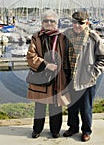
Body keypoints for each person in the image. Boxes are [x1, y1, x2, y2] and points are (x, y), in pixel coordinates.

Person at [63, 10, 104, 142]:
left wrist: (93, 72)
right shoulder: (66, 36)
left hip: (87, 80)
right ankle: (73, 127)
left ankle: (86, 131)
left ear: (87, 23)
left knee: (86, 108)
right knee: (71, 107)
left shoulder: (93, 38)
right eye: (74, 22)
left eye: (81, 23)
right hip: (70, 78)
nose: (77, 25)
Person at [26, 9, 70, 139]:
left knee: (56, 106)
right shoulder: (36, 37)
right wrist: (46, 64)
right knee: (40, 105)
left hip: (59, 78)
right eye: (46, 20)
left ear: (57, 22)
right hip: (41, 77)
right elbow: (30, 56)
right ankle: (37, 130)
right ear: (42, 22)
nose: (49, 23)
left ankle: (55, 130)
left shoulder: (63, 38)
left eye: (52, 20)